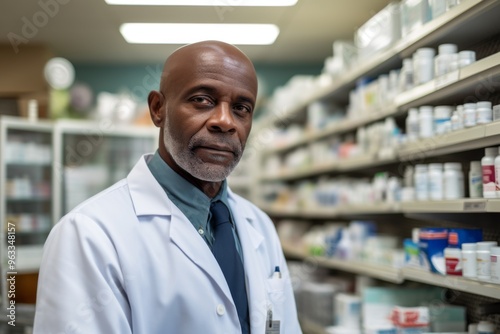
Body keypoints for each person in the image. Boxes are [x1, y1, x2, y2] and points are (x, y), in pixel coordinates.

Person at [33, 40, 302, 334]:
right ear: (158, 108)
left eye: (241, 108)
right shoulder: (88, 234)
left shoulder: (258, 225)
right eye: (202, 100)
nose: (225, 122)